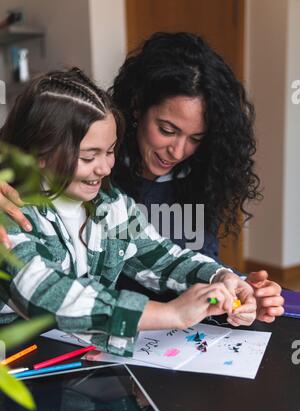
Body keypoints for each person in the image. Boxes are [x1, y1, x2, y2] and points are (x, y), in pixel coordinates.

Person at [0, 33, 284, 323]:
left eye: (110, 152)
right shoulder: (11, 213)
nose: (105, 169)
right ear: (39, 153)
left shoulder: (113, 205)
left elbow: (164, 258)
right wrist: (168, 314)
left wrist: (224, 280)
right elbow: (46, 293)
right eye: (88, 157)